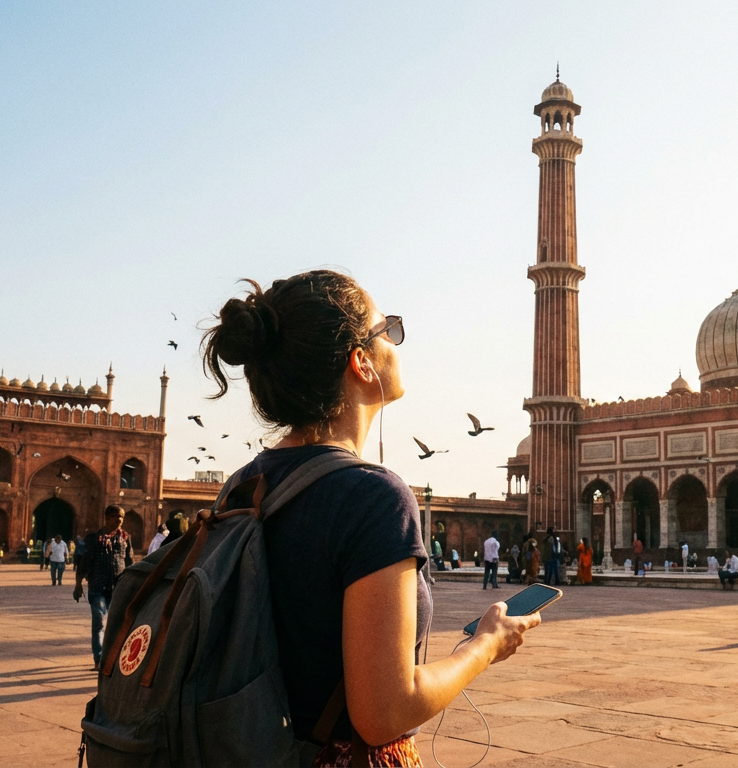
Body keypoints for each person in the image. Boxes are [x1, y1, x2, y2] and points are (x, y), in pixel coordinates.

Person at [198, 272, 540, 764]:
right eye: (390, 331)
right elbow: (383, 712)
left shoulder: (241, 487)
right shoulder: (371, 498)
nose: (397, 344)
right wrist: (485, 646)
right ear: (361, 362)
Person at [73, 505, 133, 670]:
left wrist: (133, 584)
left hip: (118, 587)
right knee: (99, 622)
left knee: (117, 623)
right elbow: (84, 562)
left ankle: (113, 657)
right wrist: (78, 584)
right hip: (97, 586)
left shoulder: (125, 538)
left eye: (121, 517)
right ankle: (99, 659)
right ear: (107, 517)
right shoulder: (94, 538)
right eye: (115, 517)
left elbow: (129, 562)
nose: (119, 520)